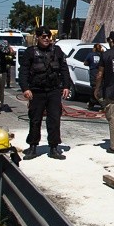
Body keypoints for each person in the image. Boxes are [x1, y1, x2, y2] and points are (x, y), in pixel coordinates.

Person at [18, 26, 70, 160]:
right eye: (43, 36)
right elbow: (23, 72)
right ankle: (33, 146)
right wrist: (25, 89)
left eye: (48, 36)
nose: (46, 38)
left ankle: (54, 147)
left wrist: (66, 86)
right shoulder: (31, 52)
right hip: (36, 91)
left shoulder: (57, 51)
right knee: (35, 119)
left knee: (54, 119)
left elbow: (64, 69)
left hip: (53, 91)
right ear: (37, 38)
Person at [84, 43, 105, 110]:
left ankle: (103, 104)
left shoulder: (91, 55)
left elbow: (85, 63)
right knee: (98, 89)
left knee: (95, 89)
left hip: (94, 74)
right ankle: (91, 103)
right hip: (102, 74)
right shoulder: (103, 55)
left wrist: (91, 64)